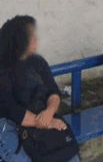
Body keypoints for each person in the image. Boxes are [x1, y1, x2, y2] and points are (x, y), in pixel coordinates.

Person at [0, 15, 80, 162]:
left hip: (42, 116)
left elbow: (53, 91)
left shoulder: (38, 62)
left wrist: (49, 112)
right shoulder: (3, 69)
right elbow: (11, 110)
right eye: (32, 35)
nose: (36, 38)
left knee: (68, 153)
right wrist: (47, 123)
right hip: (11, 126)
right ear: (20, 41)